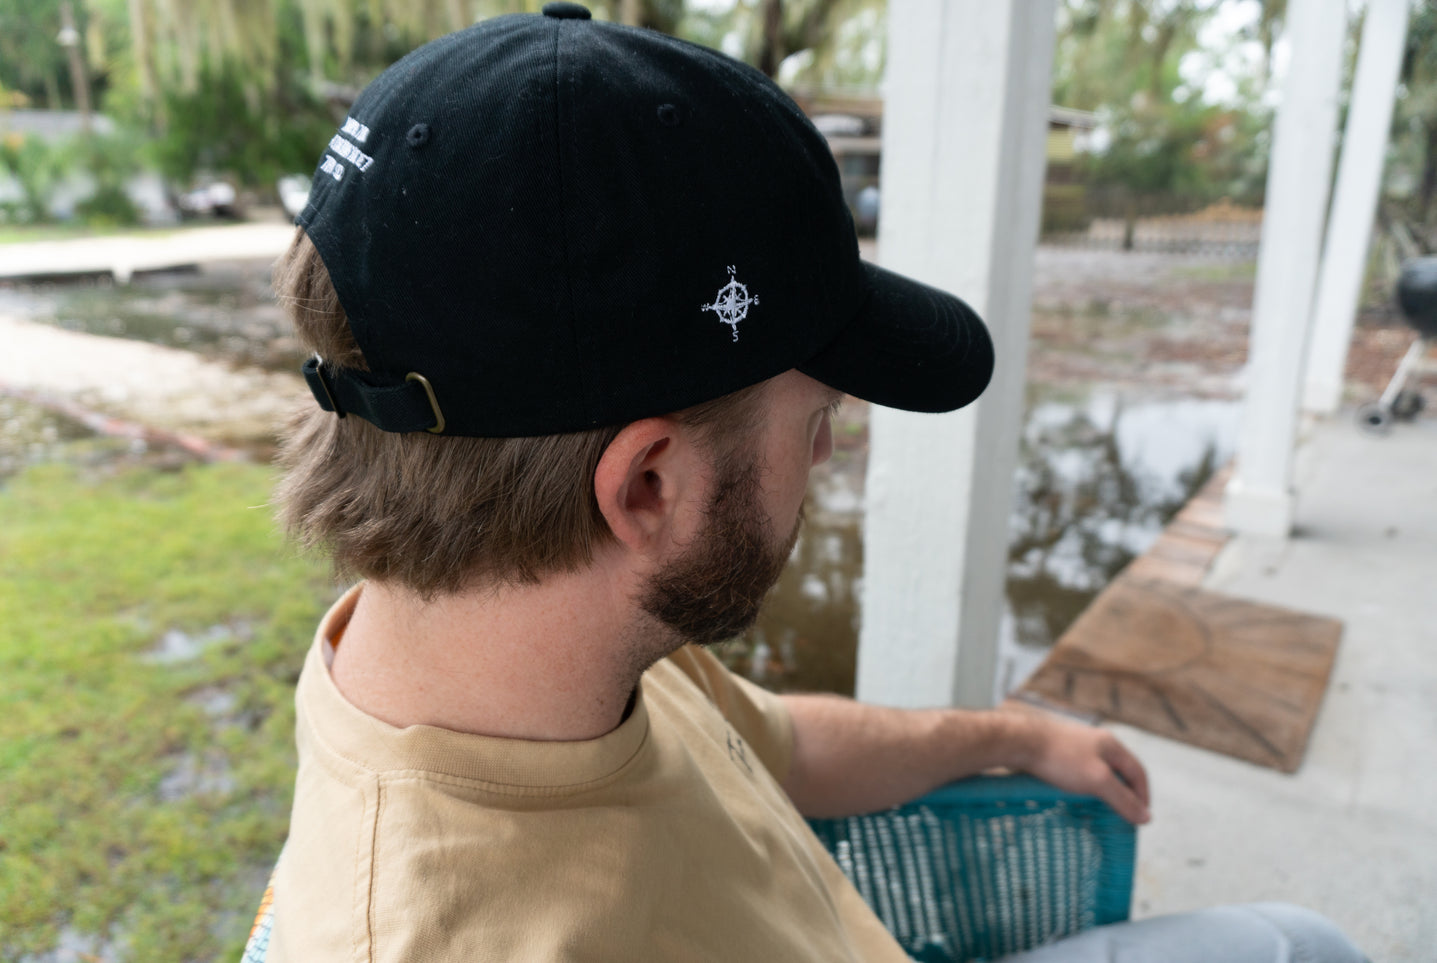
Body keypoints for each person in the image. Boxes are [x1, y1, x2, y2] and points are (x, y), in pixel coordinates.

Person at [262, 6, 1367, 961]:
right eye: (819, 418)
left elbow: (776, 745)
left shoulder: (530, 651)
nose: (828, 454)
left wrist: (1008, 738)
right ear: (648, 487)